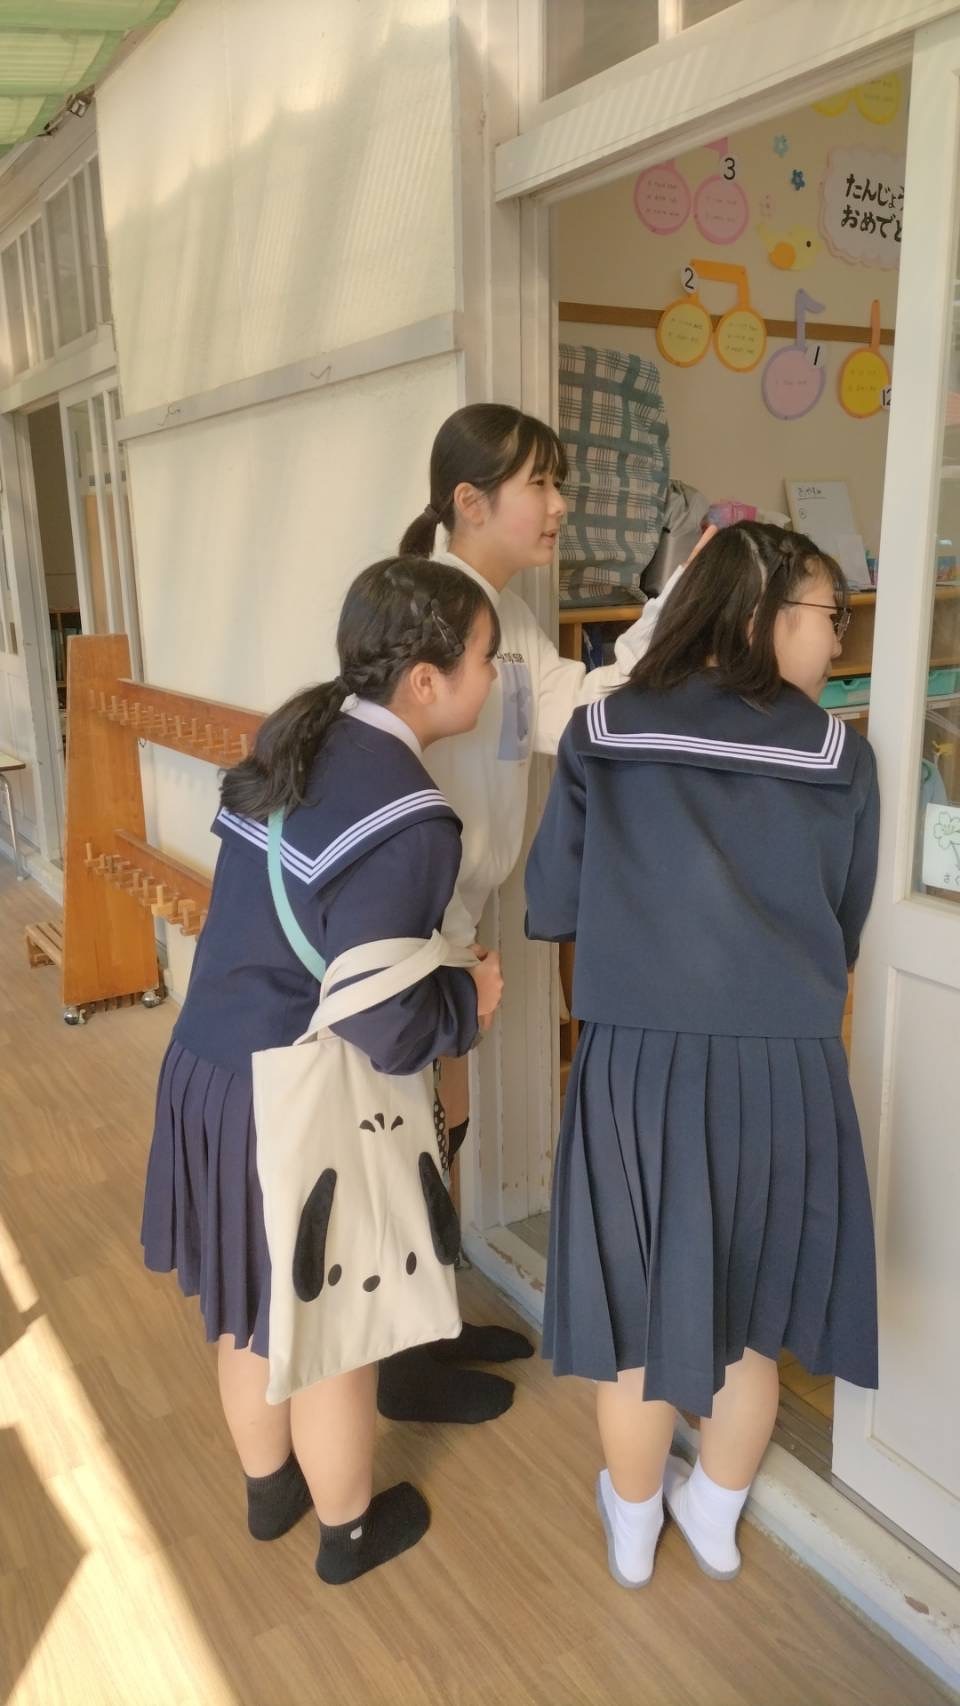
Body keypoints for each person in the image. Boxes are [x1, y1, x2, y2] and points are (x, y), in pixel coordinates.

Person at [525, 522, 880, 1589]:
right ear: (763, 616)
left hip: (634, 1064)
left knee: (641, 1318)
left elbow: (554, 901)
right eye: (828, 615)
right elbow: (845, 923)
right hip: (785, 1068)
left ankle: (634, 1530)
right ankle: (715, 1515)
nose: (837, 638)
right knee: (750, 1323)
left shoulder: (605, 729)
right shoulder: (839, 754)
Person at [141, 557, 504, 1585]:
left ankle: (271, 1490)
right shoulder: (414, 818)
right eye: (488, 658)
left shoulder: (296, 735)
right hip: (291, 1103)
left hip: (210, 1068)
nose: (495, 676)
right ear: (426, 680)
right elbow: (383, 1021)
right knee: (330, 1330)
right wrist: (469, 1002)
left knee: (250, 1303)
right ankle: (347, 1531)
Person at [392, 403, 714, 1421]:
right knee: (405, 1132)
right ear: (470, 500)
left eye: (558, 482)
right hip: (407, 919)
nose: (560, 505)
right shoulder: (426, 612)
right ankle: (400, 1357)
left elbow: (578, 705)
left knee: (442, 1120)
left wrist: (674, 603)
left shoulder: (501, 612)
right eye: (540, 483)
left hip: (455, 915)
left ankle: (429, 1320)